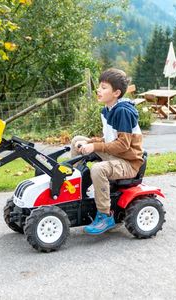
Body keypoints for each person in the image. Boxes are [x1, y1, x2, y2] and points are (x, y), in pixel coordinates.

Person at [70, 68, 143, 235]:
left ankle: (105, 215)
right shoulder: (107, 110)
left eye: (104, 87)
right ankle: (77, 185)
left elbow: (123, 145)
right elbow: (109, 139)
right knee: (76, 141)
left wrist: (95, 147)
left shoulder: (123, 112)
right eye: (99, 87)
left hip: (129, 162)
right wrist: (90, 142)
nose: (98, 90)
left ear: (116, 93)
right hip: (116, 154)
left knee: (98, 169)